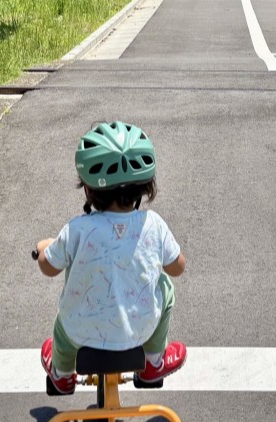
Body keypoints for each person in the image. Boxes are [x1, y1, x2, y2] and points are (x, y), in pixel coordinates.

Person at [33, 121, 189, 395]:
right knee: (165, 287)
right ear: (145, 187)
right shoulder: (153, 224)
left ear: (88, 189)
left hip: (82, 336)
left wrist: (44, 247)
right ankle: (153, 362)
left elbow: (49, 267)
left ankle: (63, 375)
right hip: (139, 333)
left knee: (63, 326)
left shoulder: (77, 230)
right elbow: (178, 267)